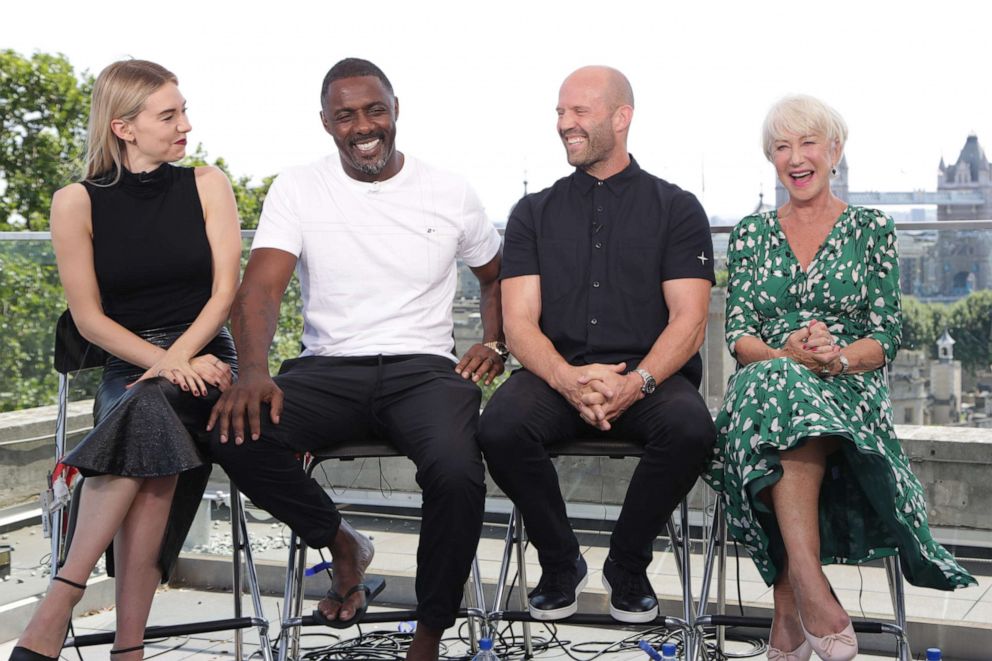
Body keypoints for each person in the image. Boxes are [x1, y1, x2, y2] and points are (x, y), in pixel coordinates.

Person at [206, 57, 504, 661]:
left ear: (396, 112)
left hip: (423, 371)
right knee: (234, 431)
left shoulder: (448, 190)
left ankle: (429, 632)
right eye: (346, 115)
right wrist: (253, 371)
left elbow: (497, 277)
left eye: (374, 110)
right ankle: (341, 544)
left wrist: (494, 342)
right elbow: (260, 289)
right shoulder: (298, 187)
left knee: (455, 469)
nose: (362, 125)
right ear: (326, 123)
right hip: (328, 369)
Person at [705, 95, 976, 661]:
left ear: (835, 152)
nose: (796, 158)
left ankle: (788, 609)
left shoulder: (871, 228)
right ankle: (811, 587)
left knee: (772, 397)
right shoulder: (752, 233)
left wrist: (833, 359)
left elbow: (886, 336)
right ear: (770, 159)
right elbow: (739, 337)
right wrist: (788, 353)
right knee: (772, 385)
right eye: (782, 147)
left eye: (808, 144)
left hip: (847, 386)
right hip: (771, 378)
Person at [10, 60, 241, 661]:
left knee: (147, 414)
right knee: (148, 424)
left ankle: (59, 601)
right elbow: (89, 321)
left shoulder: (206, 183)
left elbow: (224, 295)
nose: (186, 125)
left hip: (209, 357)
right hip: (130, 365)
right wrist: (166, 366)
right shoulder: (74, 203)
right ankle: (127, 649)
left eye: (183, 110)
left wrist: (182, 359)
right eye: (169, 115)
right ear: (124, 127)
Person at [478, 65, 716, 624]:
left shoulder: (677, 208)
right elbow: (518, 323)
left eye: (579, 112)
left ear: (621, 117)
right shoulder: (532, 214)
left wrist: (635, 384)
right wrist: (567, 379)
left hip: (650, 378)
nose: (565, 124)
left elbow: (689, 320)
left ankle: (627, 566)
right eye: (560, 113)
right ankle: (561, 563)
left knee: (691, 430)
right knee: (499, 427)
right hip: (554, 376)